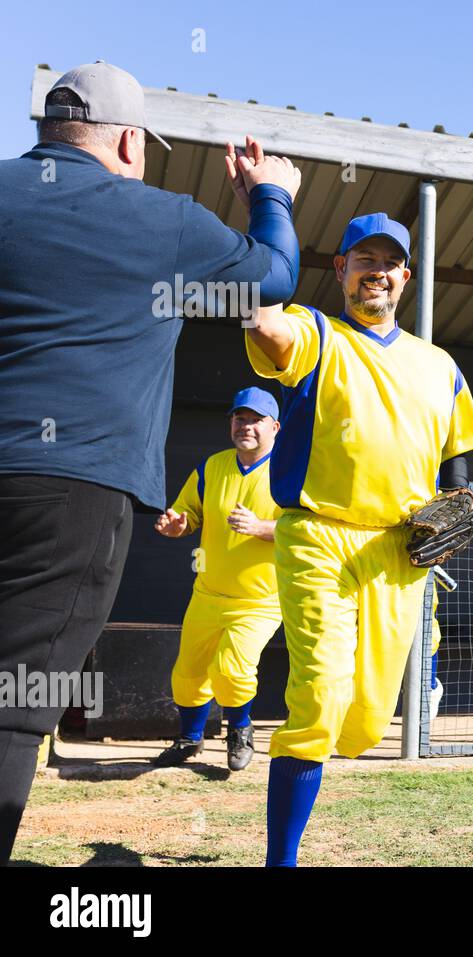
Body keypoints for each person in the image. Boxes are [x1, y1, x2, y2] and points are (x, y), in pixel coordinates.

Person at [0, 60, 301, 863]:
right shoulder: (158, 218)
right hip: (71, 491)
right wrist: (269, 194)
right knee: (15, 697)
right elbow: (273, 275)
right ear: (130, 141)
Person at [244, 213, 473, 866]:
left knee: (365, 723)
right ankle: (280, 861)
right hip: (316, 534)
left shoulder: (440, 366)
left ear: (405, 276)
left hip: (397, 555)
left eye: (389, 261)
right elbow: (265, 323)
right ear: (340, 270)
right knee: (317, 700)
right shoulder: (320, 334)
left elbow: (457, 465)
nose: (376, 269)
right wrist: (269, 215)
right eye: (362, 258)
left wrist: (456, 515)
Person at [152, 388, 283, 771]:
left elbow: (310, 528)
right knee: (188, 674)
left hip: (260, 601)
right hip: (207, 594)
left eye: (255, 420)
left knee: (232, 669)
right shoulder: (211, 467)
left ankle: (240, 732)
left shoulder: (291, 470)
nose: (246, 426)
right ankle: (189, 740)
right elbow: (187, 515)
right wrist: (176, 526)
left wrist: (261, 527)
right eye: (239, 419)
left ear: (274, 426)